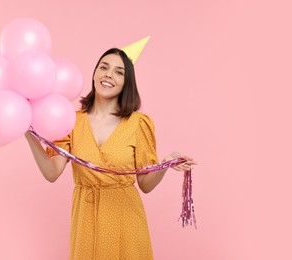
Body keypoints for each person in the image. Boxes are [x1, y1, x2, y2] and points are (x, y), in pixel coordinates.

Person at [25, 47, 196, 259]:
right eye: (103, 67)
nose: (108, 74)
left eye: (119, 72)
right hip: (86, 220)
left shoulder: (138, 123)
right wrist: (27, 131)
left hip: (126, 221)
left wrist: (165, 164)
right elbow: (52, 172)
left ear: (127, 83)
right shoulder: (70, 120)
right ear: (95, 73)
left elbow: (145, 185)